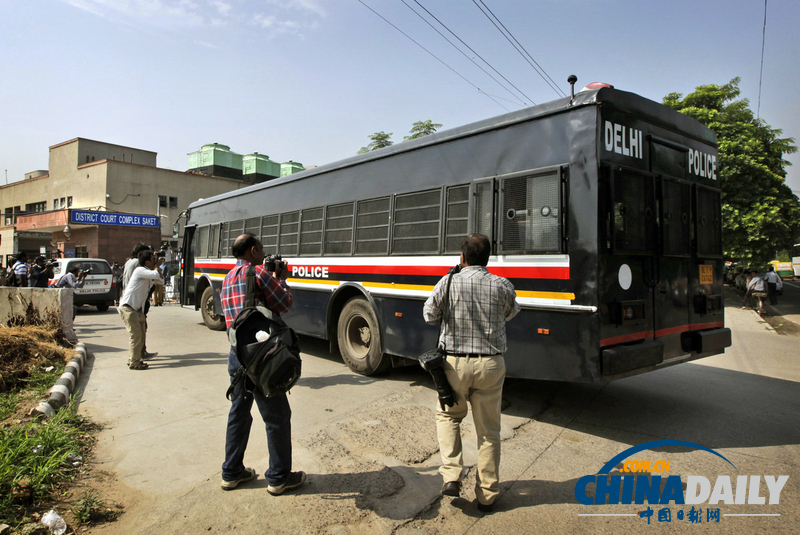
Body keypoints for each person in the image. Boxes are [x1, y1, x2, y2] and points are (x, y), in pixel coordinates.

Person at [423, 234, 520, 513]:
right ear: (487, 258)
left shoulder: (449, 281)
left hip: (454, 365)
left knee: (448, 416)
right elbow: (510, 313)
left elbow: (429, 316)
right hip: (490, 365)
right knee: (489, 432)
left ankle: (452, 475)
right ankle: (487, 495)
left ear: (462, 258)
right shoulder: (502, 285)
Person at [219, 233, 305, 495]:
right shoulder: (258, 274)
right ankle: (279, 477)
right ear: (254, 250)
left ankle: (231, 473)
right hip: (261, 357)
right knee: (277, 416)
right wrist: (282, 279)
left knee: (239, 413)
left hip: (237, 355)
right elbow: (285, 303)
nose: (263, 256)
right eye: (262, 251)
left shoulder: (226, 280)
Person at [118, 249, 164, 370]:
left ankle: (134, 358)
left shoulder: (147, 272)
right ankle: (134, 361)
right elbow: (155, 275)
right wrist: (157, 266)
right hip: (128, 308)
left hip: (137, 310)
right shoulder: (140, 270)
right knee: (136, 336)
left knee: (140, 335)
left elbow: (161, 280)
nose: (155, 261)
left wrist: (158, 269)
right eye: (153, 259)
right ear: (147, 261)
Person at [123, 244, 158, 360]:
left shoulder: (129, 262)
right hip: (134, 303)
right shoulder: (138, 265)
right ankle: (138, 357)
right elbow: (154, 276)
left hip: (133, 300)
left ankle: (139, 354)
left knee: (139, 331)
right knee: (138, 333)